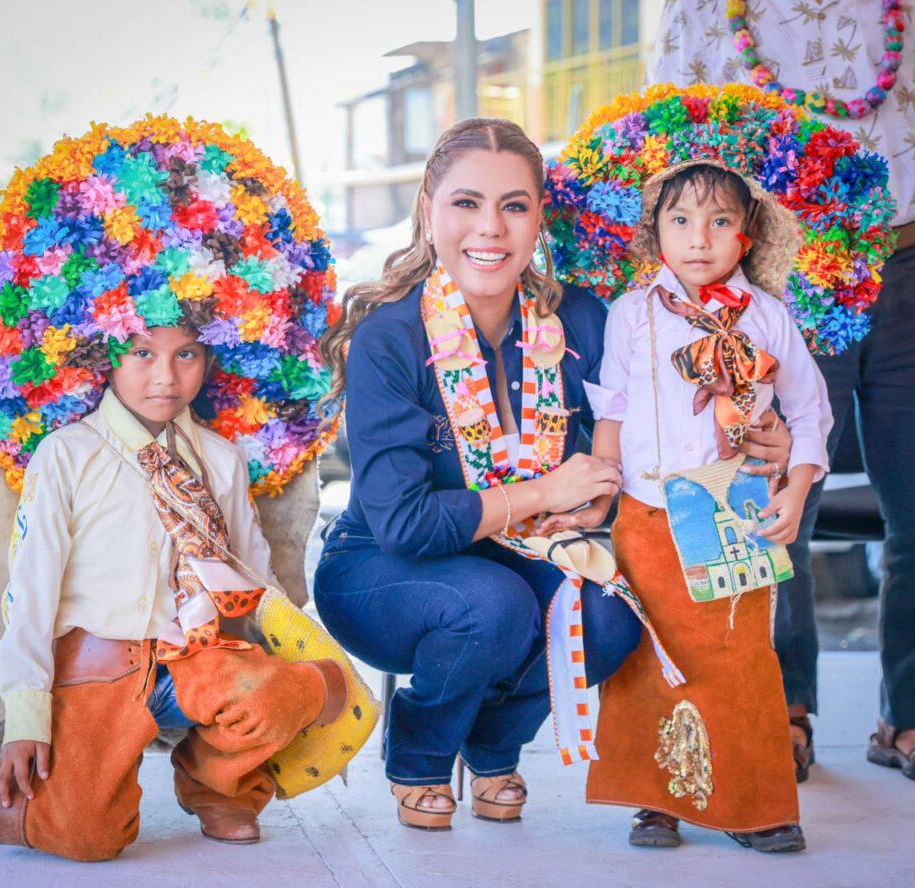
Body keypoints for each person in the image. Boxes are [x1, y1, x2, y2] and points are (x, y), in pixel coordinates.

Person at [314, 118, 791, 831]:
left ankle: (492, 741)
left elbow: (662, 426)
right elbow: (406, 525)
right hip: (382, 567)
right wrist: (547, 492)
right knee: (494, 604)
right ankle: (418, 750)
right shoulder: (391, 336)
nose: (492, 228)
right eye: (467, 203)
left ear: (540, 217)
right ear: (428, 210)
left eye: (514, 205)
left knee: (609, 617)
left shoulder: (584, 322)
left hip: (537, 548)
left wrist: (761, 431)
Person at [0, 115, 364, 861]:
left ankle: (217, 784)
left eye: (187, 353)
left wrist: (281, 685)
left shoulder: (222, 460)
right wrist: (25, 722)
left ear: (219, 352)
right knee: (84, 841)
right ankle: (47, 802)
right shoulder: (67, 455)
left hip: (196, 657)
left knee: (283, 688)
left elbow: (253, 577)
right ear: (98, 347)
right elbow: (31, 597)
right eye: (141, 351)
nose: (165, 375)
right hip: (98, 667)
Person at [648, 0, 915, 783]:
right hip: (777, 273)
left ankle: (908, 714)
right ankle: (779, 705)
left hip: (908, 256)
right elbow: (674, 138)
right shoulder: (702, 9)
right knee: (767, 503)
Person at [561, 157, 831, 852]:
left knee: (741, 659)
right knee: (651, 657)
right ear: (655, 233)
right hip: (647, 515)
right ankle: (657, 801)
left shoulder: (769, 318)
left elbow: (810, 414)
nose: (699, 237)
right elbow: (612, 412)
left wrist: (796, 489)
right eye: (680, 221)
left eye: (719, 222)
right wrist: (603, 499)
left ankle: (758, 804)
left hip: (734, 515)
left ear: (747, 235)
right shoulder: (631, 315)